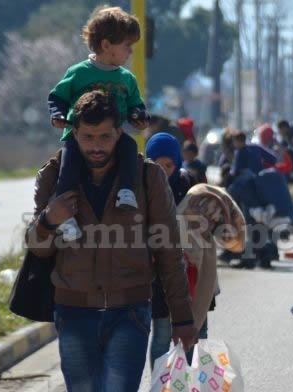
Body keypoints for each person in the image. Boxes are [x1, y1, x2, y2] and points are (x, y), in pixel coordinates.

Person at [26, 91, 196, 392]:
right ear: (74, 133)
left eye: (105, 137)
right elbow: (38, 248)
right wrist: (50, 219)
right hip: (73, 312)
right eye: (88, 137)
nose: (96, 146)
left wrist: (182, 319)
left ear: (119, 132)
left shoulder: (148, 178)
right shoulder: (54, 177)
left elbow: (169, 252)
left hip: (129, 313)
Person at [48, 6, 149, 241]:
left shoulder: (127, 78)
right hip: (78, 138)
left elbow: (137, 104)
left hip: (116, 135)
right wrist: (58, 115)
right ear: (106, 46)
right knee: (68, 168)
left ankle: (126, 191)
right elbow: (57, 97)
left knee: (130, 148)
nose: (131, 52)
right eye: (127, 46)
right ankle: (66, 218)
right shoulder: (78, 73)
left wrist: (139, 116)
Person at [145, 132, 198, 368]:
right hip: (158, 273)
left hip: (191, 271)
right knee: (161, 335)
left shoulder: (188, 184)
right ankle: (160, 382)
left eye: (169, 165)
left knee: (194, 334)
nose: (163, 170)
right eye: (157, 165)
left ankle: (190, 382)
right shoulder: (142, 187)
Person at [176, 183, 246, 357]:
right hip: (166, 288)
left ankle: (188, 379)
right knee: (166, 341)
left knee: (198, 339)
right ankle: (171, 379)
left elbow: (235, 238)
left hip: (195, 285)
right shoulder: (159, 185)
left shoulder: (189, 184)